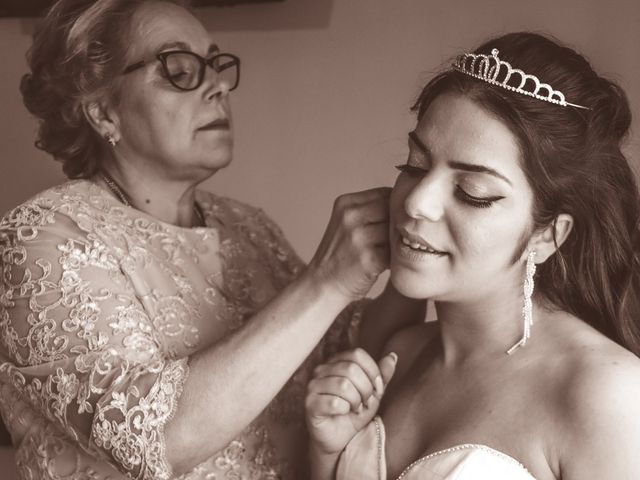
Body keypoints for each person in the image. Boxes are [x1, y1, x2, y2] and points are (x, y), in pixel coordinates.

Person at [0, 0, 426, 478]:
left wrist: (411, 256)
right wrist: (325, 280)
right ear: (103, 112)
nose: (219, 85)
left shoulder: (248, 226)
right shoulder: (42, 238)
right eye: (180, 69)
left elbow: (344, 358)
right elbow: (153, 439)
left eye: (217, 65)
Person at [305, 32, 640, 479]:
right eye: (415, 166)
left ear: (547, 235)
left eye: (472, 192)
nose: (415, 202)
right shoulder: (397, 356)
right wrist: (328, 454)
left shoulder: (606, 394)